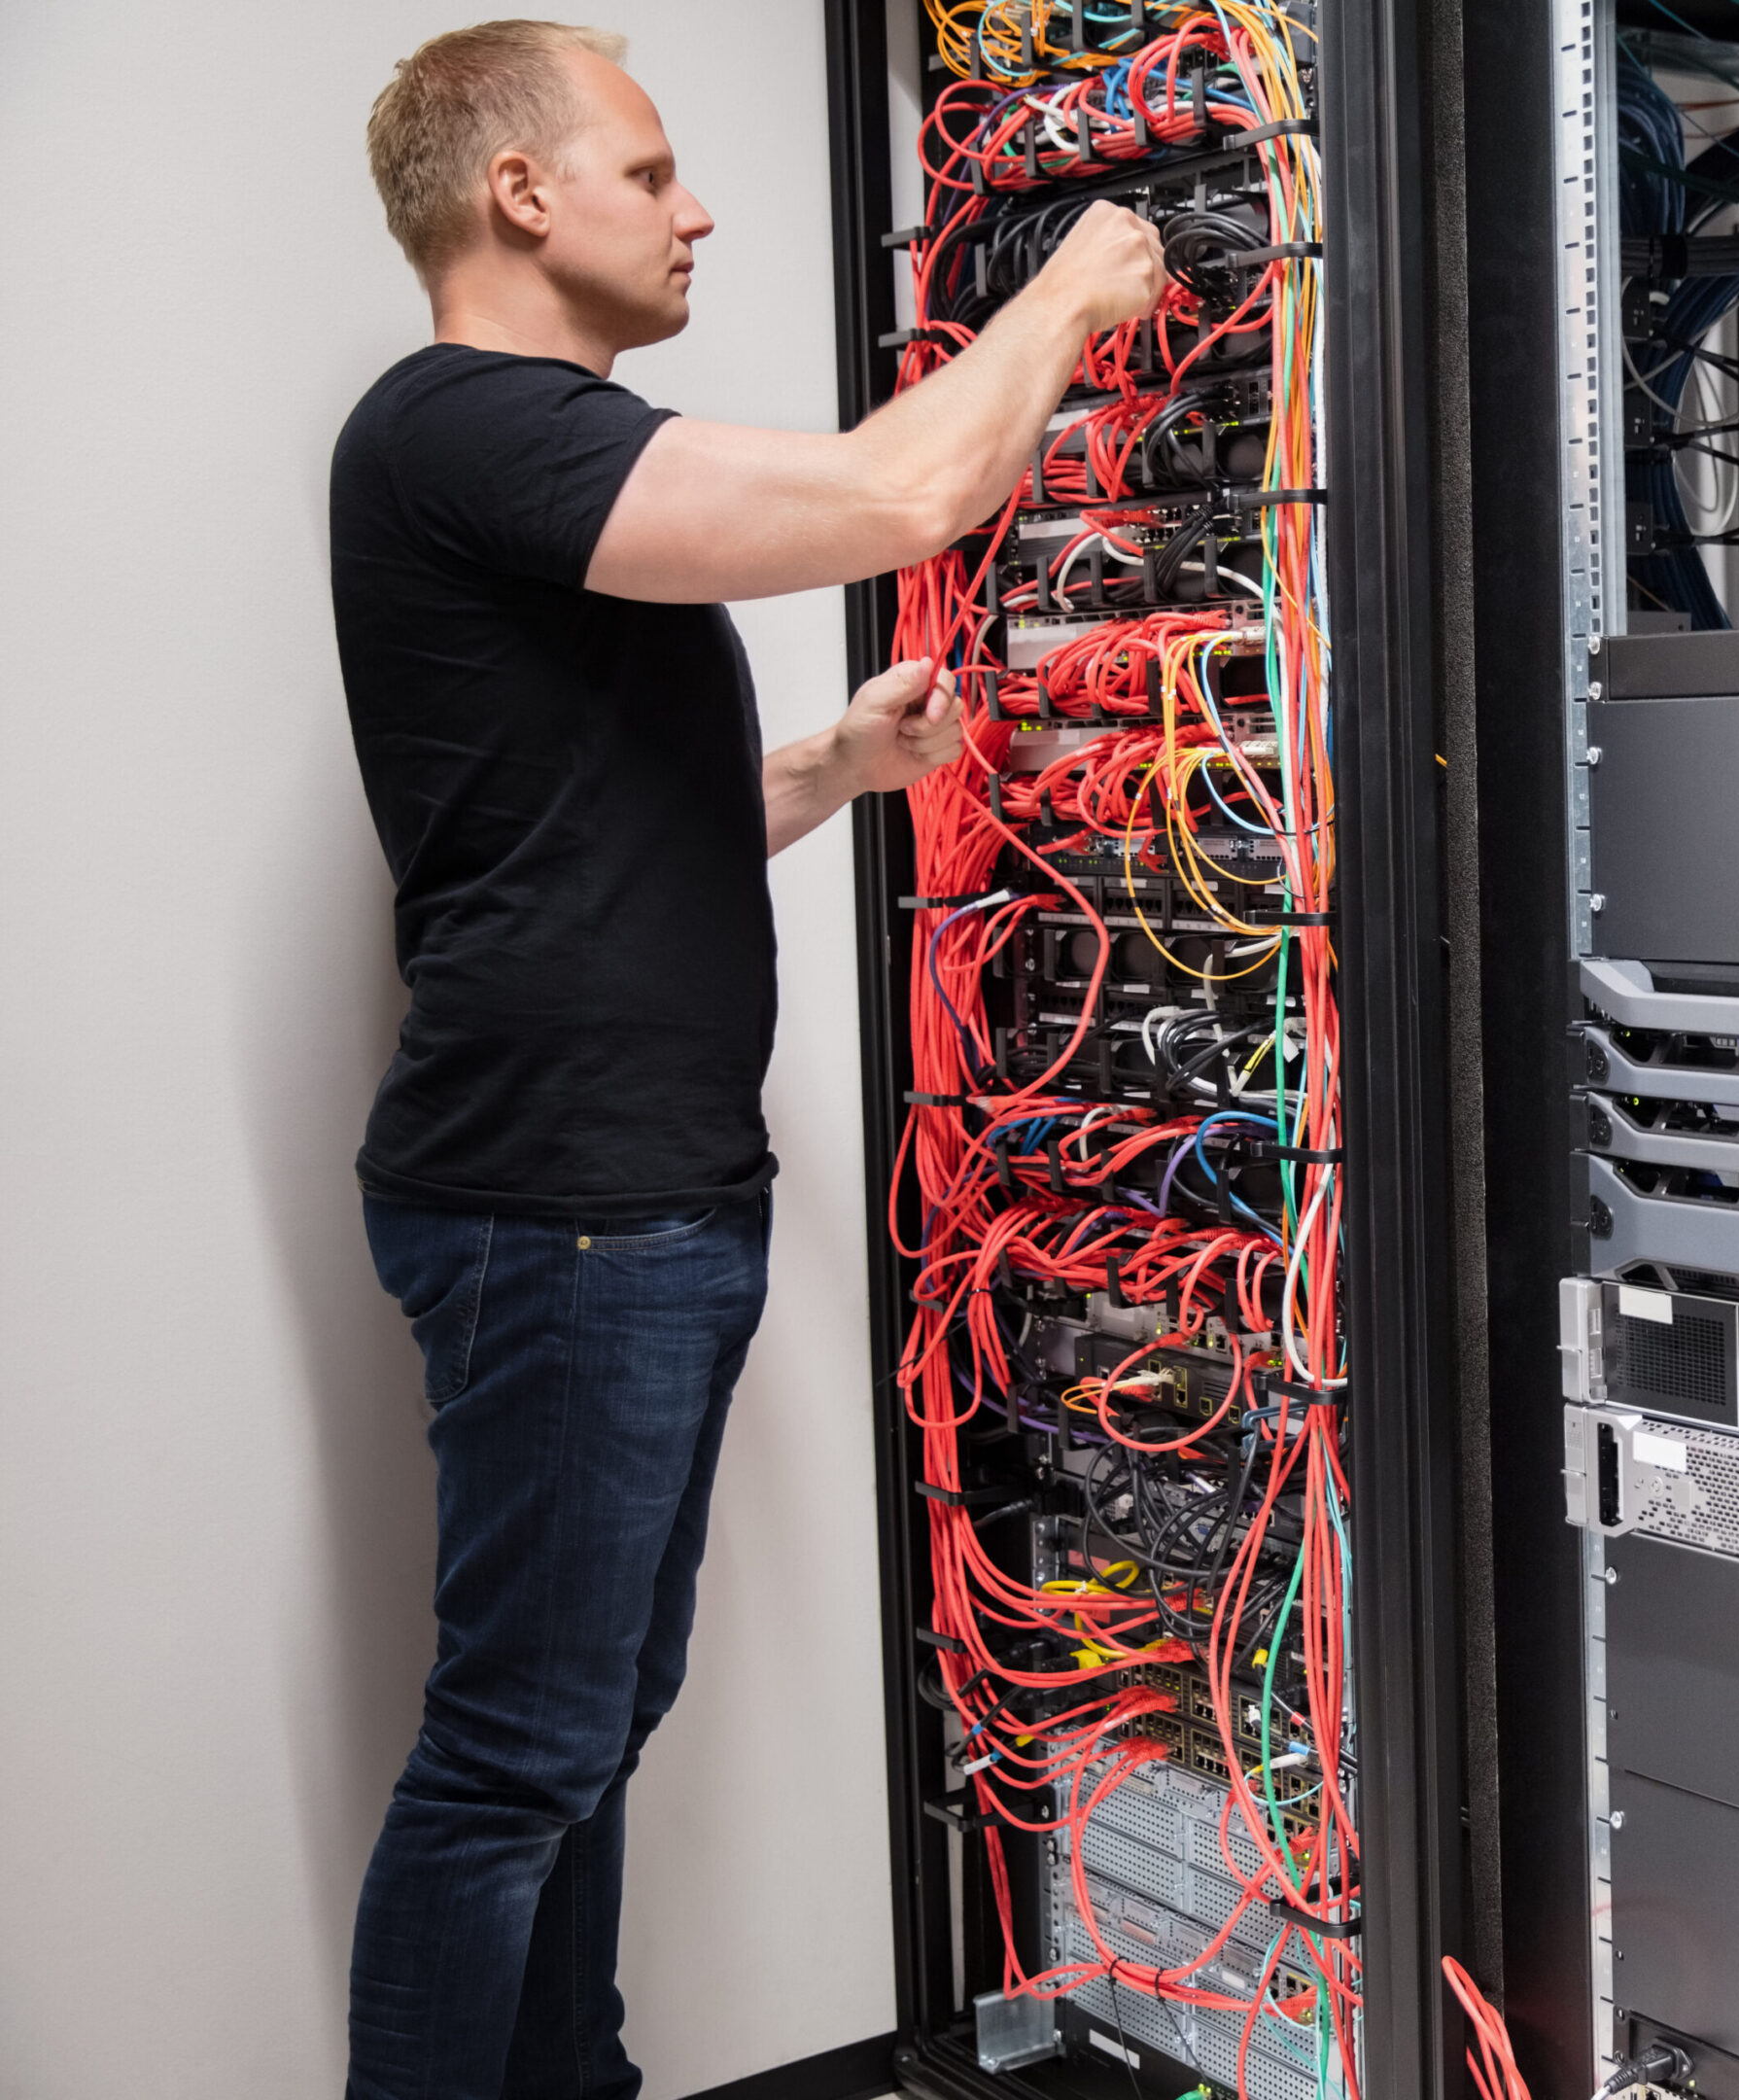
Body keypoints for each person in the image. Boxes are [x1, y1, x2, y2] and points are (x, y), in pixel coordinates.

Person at [330, 21, 1165, 2097]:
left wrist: (830, 767)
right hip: (569, 1208)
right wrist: (1070, 286)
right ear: (519, 193)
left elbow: (556, 828)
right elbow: (907, 490)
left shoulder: (515, 469)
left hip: (625, 1200)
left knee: (583, 1726)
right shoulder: (464, 427)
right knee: (517, 1755)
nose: (695, 209)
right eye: (650, 171)